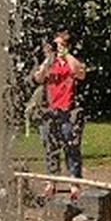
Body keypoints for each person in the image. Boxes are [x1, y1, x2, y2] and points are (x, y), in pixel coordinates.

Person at [33, 29, 86, 198]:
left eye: (62, 44)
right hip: (50, 110)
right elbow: (38, 78)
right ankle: (51, 181)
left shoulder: (73, 61)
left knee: (72, 147)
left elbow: (81, 74)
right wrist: (47, 62)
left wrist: (67, 55)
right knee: (50, 147)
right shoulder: (49, 62)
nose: (59, 48)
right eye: (56, 44)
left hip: (69, 111)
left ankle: (74, 183)